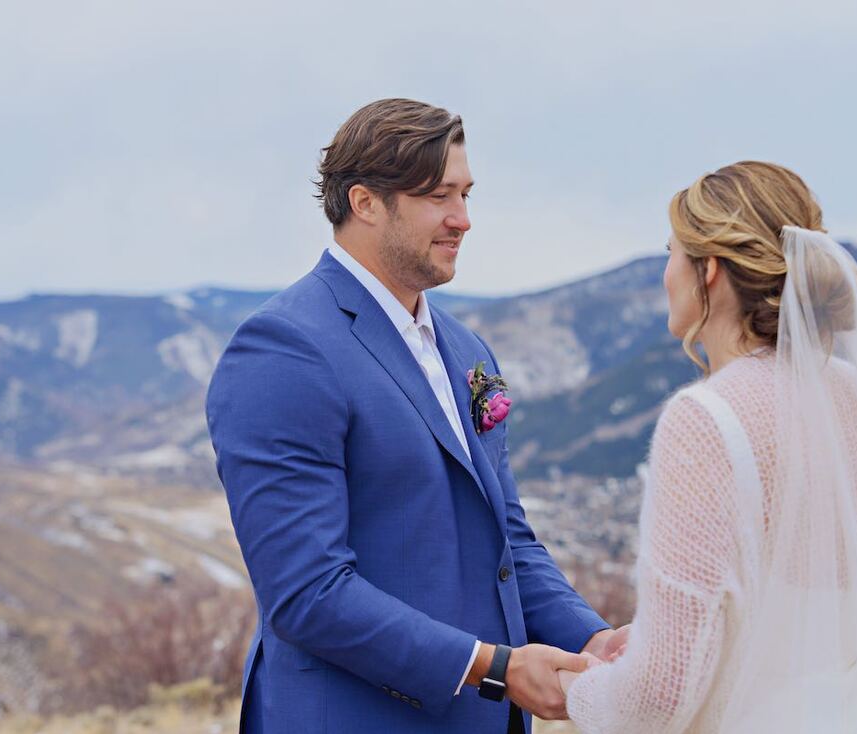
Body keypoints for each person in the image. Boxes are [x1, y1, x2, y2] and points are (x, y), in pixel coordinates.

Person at [206, 98, 621, 734]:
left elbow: (504, 538)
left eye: (466, 194)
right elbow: (307, 593)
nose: (463, 220)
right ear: (365, 201)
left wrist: (591, 642)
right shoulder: (285, 349)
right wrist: (494, 667)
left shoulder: (465, 348)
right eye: (438, 196)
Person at [562, 161, 857, 733]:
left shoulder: (705, 420)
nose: (665, 273)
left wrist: (581, 690)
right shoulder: (856, 397)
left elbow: (664, 691)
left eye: (671, 252)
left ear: (710, 270)